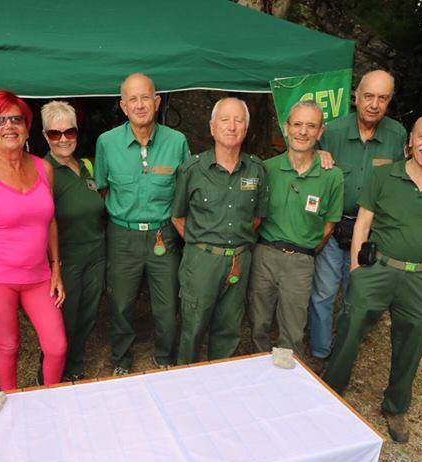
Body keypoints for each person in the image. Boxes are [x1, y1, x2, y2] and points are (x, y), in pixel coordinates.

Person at [323, 113, 422, 443]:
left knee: (411, 343)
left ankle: (396, 405)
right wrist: (357, 272)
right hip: (378, 270)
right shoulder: (384, 176)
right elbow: (362, 223)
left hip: (421, 278)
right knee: (349, 329)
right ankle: (331, 390)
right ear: (410, 140)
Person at [0, 90, 66, 392]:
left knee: (56, 346)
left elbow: (51, 220)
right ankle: (12, 406)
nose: (9, 126)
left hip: (38, 276)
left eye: (16, 119)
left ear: (27, 127)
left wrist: (56, 268)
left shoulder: (44, 169)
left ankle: (49, 399)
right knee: (8, 347)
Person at [307, 70, 407, 364]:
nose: (374, 104)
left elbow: (408, 174)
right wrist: (317, 156)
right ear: (357, 96)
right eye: (368, 96)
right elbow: (310, 169)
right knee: (324, 292)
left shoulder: (397, 135)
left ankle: (345, 345)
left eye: (382, 98)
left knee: (358, 294)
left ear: (389, 101)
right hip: (335, 225)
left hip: (371, 233)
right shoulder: (334, 132)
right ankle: (321, 349)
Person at [95, 73, 190, 375]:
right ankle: (121, 359)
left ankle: (164, 356)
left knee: (167, 306)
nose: (139, 105)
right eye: (132, 99)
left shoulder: (177, 142)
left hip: (164, 234)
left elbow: (186, 188)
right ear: (123, 106)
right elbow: (102, 188)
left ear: (157, 101)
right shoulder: (107, 143)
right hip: (123, 235)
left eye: (145, 97)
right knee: (121, 303)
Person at [171, 97, 269, 364]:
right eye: (224, 120)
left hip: (239, 260)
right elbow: (178, 217)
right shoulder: (192, 170)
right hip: (201, 261)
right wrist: (202, 246)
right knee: (193, 328)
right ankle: (184, 385)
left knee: (229, 330)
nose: (232, 126)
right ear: (212, 128)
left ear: (246, 130)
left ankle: (221, 389)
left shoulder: (257, 170)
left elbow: (257, 218)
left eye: (239, 120)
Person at [247, 100, 344, 359]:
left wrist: (305, 250)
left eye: (311, 126)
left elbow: (329, 225)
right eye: (297, 124)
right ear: (286, 128)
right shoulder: (267, 169)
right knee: (259, 322)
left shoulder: (332, 176)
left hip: (301, 260)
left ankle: (285, 380)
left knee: (292, 329)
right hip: (265, 254)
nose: (303, 131)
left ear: (320, 132)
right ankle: (258, 371)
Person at [41, 100, 106, 381]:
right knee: (62, 321)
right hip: (66, 258)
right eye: (55, 134)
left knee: (87, 315)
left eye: (70, 132)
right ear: (45, 136)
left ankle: (75, 366)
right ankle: (50, 375)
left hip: (96, 254)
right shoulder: (43, 171)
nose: (64, 139)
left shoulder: (87, 165)